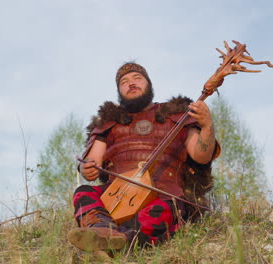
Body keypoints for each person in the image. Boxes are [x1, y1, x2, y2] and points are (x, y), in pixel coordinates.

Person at [68, 62, 220, 252]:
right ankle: (101, 230)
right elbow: (90, 165)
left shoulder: (177, 115)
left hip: (164, 194)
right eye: (124, 82)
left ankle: (117, 241)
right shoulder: (109, 123)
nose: (131, 83)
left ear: (149, 84)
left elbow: (201, 156)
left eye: (137, 78)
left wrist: (207, 126)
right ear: (119, 91)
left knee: (166, 207)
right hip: (117, 196)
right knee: (83, 192)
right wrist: (86, 168)